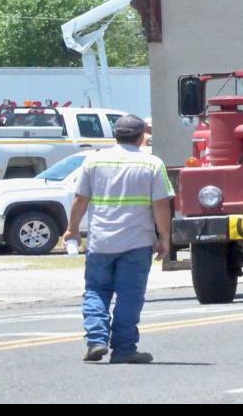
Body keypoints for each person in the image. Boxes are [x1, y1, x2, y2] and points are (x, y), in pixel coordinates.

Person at [65, 114, 174, 364]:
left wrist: (72, 229)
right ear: (140, 137)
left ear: (116, 135)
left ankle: (96, 340)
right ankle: (124, 348)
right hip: (137, 242)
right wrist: (164, 237)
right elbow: (161, 205)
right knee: (129, 295)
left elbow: (80, 200)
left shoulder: (93, 161)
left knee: (96, 290)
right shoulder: (152, 164)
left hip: (101, 241)